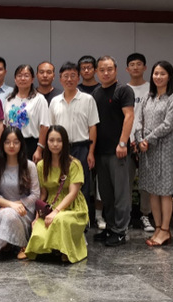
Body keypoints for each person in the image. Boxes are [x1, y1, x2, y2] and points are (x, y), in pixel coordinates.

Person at [134, 61, 173, 247]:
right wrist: (140, 139)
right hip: (147, 150)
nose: (158, 77)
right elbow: (139, 121)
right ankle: (158, 227)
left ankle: (166, 230)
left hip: (164, 149)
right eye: (156, 73)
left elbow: (169, 124)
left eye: (162, 74)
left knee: (165, 191)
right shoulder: (148, 97)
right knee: (152, 190)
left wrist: (148, 139)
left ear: (169, 76)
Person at [25, 125, 88, 263]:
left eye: (59, 140)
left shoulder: (74, 164)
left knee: (60, 220)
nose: (55, 144)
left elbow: (73, 193)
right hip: (50, 206)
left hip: (72, 207)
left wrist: (56, 212)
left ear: (65, 142)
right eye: (51, 140)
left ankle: (69, 248)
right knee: (39, 234)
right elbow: (43, 195)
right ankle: (56, 248)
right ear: (46, 142)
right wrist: (37, 216)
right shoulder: (41, 165)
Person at [49, 61, 99, 230]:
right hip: (59, 149)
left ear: (78, 78)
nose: (69, 79)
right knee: (61, 185)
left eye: (72, 76)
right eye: (65, 76)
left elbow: (93, 127)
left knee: (82, 186)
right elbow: (52, 128)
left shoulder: (87, 99)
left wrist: (91, 152)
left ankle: (82, 225)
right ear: (60, 79)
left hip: (81, 148)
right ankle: (62, 220)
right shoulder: (55, 101)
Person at [91, 56, 135, 247]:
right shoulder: (96, 93)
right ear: (97, 72)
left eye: (109, 69)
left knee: (121, 194)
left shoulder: (123, 90)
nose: (106, 73)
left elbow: (129, 116)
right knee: (106, 193)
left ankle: (120, 230)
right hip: (101, 151)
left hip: (119, 151)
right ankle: (110, 227)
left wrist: (123, 143)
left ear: (116, 70)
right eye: (102, 70)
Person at [0, 127, 40, 259]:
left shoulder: (30, 166)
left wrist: (16, 205)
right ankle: (10, 245)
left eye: (16, 142)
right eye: (7, 142)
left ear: (21, 144)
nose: (11, 146)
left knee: (9, 214)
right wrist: (10, 205)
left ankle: (18, 244)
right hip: (1, 210)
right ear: (2, 144)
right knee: (6, 215)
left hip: (24, 211)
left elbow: (35, 195)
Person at [126, 53, 155, 233]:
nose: (135, 67)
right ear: (127, 69)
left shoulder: (152, 88)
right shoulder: (123, 89)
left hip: (147, 142)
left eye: (139, 64)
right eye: (132, 64)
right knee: (126, 182)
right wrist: (128, 140)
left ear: (145, 67)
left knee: (146, 183)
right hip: (128, 142)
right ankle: (127, 216)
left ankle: (146, 215)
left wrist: (146, 139)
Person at [3, 64, 50, 161]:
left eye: (26, 75)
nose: (23, 78)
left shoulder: (39, 99)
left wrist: (39, 149)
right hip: (11, 143)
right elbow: (4, 124)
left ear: (32, 79)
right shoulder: (8, 100)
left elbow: (44, 126)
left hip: (31, 144)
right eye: (19, 76)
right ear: (15, 79)